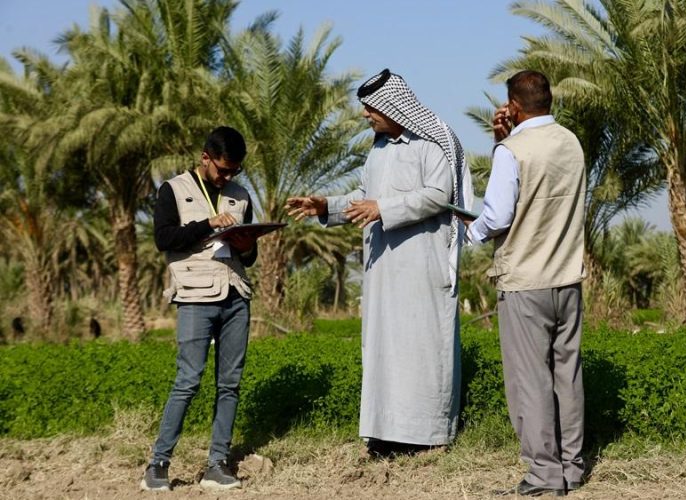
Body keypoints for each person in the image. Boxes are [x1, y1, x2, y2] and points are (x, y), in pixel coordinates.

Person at [286, 69, 472, 456]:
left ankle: (427, 437)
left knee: (422, 349)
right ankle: (385, 434)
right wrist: (327, 206)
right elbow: (363, 196)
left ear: (394, 108)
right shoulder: (379, 149)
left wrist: (383, 207)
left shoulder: (432, 144)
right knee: (384, 350)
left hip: (421, 266)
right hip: (383, 269)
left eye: (371, 109)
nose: (366, 116)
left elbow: (440, 195)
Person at [464, 71, 586, 497]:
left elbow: (497, 216)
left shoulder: (512, 151)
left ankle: (543, 476)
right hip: (568, 279)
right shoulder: (571, 142)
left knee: (529, 382)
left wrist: (469, 233)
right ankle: (571, 468)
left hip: (524, 284)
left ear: (513, 106)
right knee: (566, 376)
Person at [141, 126, 258, 491]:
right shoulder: (173, 189)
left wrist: (245, 243)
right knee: (188, 381)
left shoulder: (241, 196)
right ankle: (158, 464)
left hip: (236, 295)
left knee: (230, 383)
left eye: (234, 172)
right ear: (205, 158)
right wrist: (207, 224)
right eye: (222, 170)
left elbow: (250, 257)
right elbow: (164, 238)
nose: (227, 177)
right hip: (194, 295)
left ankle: (217, 464)